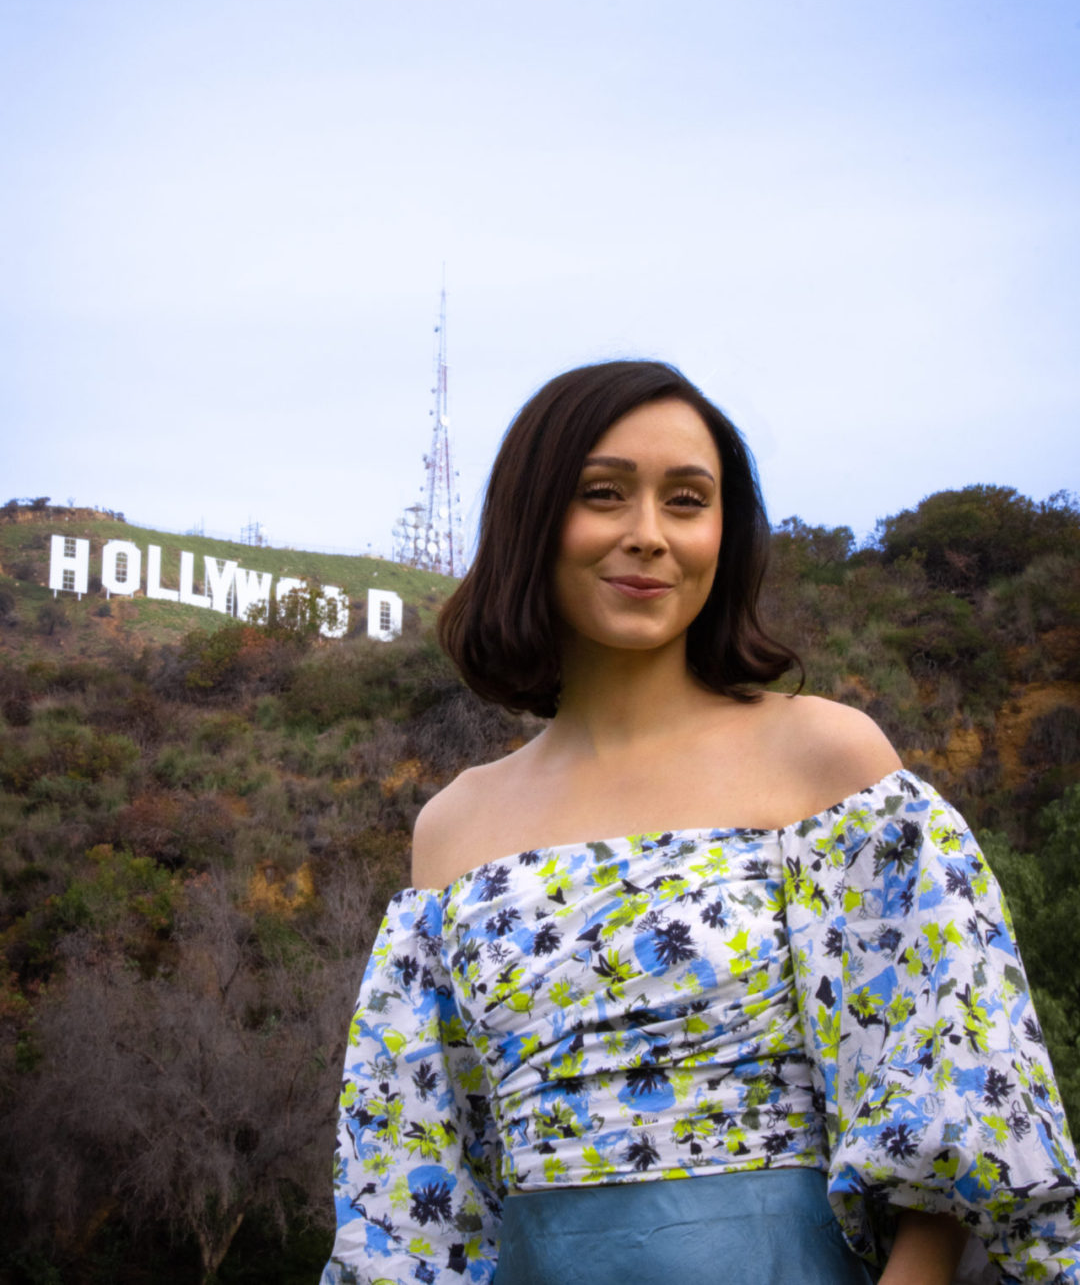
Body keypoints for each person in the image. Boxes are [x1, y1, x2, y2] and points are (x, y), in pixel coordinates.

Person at [320, 361, 1080, 1285]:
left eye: (687, 501)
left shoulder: (828, 766)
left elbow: (958, 1073)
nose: (648, 535)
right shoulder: (454, 828)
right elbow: (416, 1183)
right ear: (532, 522)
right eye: (603, 495)